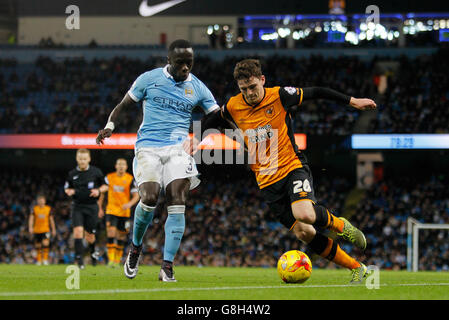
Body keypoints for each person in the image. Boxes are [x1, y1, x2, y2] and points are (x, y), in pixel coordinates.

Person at [188, 59, 377, 283]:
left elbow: (316, 92)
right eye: (244, 89)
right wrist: (195, 138)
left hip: (292, 167)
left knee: (305, 213)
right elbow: (211, 119)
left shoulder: (280, 95)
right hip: (266, 181)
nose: (249, 93)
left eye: (253, 87)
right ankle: (357, 268)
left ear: (262, 80)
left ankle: (342, 226)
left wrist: (353, 101)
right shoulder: (233, 106)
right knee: (304, 232)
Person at [96, 39, 220, 282]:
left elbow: (216, 115)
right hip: (148, 148)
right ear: (169, 61)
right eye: (180, 63)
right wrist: (110, 126)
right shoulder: (148, 79)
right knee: (150, 197)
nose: (186, 68)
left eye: (189, 63)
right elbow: (122, 106)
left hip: (178, 149)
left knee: (177, 199)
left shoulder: (198, 87)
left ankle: (167, 266)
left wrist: (201, 135)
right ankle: (135, 247)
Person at [64, 148, 108, 269]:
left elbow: (106, 186)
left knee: (90, 236)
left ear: (89, 159)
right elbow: (66, 188)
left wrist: (98, 190)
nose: (82, 161)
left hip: (92, 207)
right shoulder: (72, 174)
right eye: (80, 159)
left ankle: (93, 252)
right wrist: (69, 191)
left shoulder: (96, 172)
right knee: (77, 232)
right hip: (77, 206)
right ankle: (79, 259)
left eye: (84, 159)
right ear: (77, 159)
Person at [99, 158, 140, 267]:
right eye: (119, 164)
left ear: (126, 167)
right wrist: (99, 207)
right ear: (116, 166)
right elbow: (102, 193)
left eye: (123, 165)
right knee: (111, 232)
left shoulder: (130, 179)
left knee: (121, 236)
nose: (121, 166)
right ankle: (111, 260)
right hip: (111, 210)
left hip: (124, 212)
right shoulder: (109, 178)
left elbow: (136, 195)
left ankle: (117, 260)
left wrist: (130, 204)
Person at [28, 194, 56, 265]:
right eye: (39, 200)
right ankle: (39, 260)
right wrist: (30, 227)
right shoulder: (35, 209)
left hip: (46, 229)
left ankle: (45, 259)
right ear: (37, 201)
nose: (41, 202)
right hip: (37, 230)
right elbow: (31, 219)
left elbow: (51, 220)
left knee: (46, 243)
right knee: (38, 245)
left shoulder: (48, 209)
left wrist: (53, 229)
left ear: (45, 201)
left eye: (42, 200)